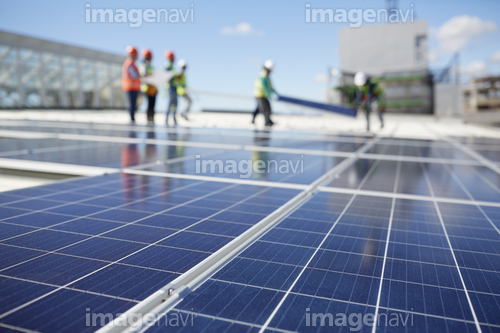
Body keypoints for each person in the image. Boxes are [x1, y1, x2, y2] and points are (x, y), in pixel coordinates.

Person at [253, 60, 278, 126]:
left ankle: (266, 120)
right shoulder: (263, 75)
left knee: (260, 107)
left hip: (263, 95)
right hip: (260, 94)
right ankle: (267, 121)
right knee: (265, 108)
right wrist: (267, 91)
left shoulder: (267, 76)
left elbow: (269, 86)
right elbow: (264, 84)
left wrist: (274, 91)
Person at [121, 46, 141, 124]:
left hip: (133, 87)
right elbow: (135, 75)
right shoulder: (129, 63)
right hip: (130, 87)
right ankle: (132, 119)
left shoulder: (132, 64)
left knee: (134, 104)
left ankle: (132, 118)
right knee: (132, 104)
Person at [139, 49, 158, 124]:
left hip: (153, 88)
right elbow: (143, 75)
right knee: (149, 104)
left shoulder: (151, 67)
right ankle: (149, 118)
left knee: (152, 105)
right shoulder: (143, 66)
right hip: (147, 88)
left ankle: (151, 118)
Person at [164, 50, 180, 126]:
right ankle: (167, 120)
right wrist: (175, 76)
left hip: (174, 87)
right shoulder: (168, 66)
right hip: (171, 87)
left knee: (174, 104)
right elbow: (168, 77)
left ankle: (173, 119)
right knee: (171, 103)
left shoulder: (172, 67)